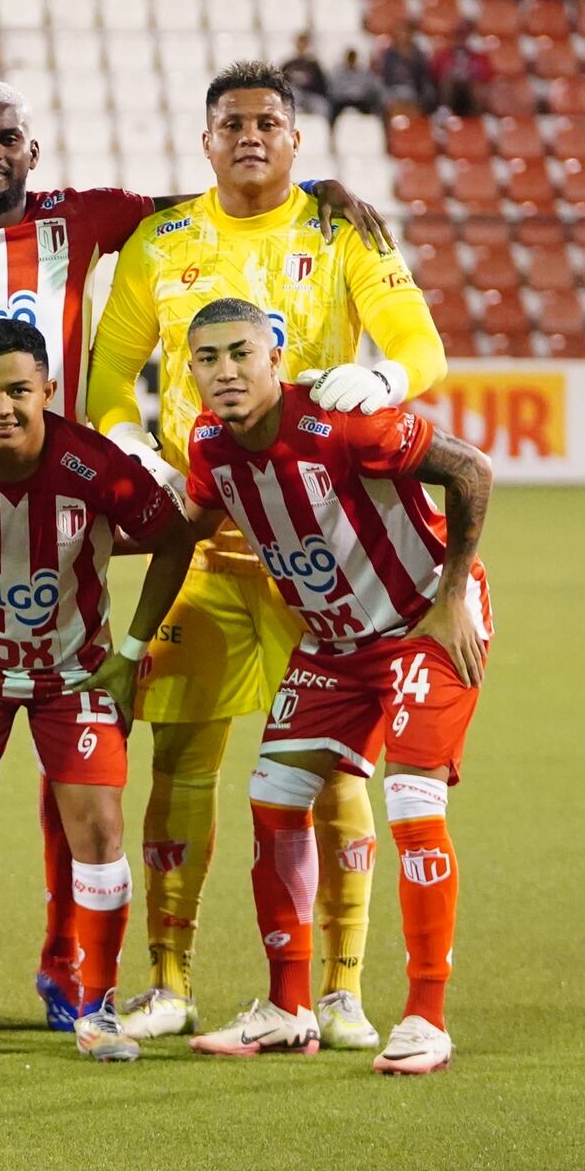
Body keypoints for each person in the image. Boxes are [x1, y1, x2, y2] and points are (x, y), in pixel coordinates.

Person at [0, 80, 389, 1033]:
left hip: (68, 522)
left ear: (32, 150)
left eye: (8, 138)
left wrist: (317, 193)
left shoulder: (86, 218)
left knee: (74, 763)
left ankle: (68, 963)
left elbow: (212, 202)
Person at [86, 60, 447, 1054]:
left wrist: (382, 376)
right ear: (205, 141)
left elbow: (419, 346)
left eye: (267, 122)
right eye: (231, 124)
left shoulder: (341, 229)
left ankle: (338, 991)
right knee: (180, 759)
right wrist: (132, 448)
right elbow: (108, 376)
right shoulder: (161, 241)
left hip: (320, 559)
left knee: (331, 771)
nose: (249, 136)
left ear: (295, 138)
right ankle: (170, 982)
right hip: (203, 539)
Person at [177, 297, 493, 1075]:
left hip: (421, 621)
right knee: (272, 794)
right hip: (334, 645)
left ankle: (426, 1016)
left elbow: (472, 468)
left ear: (274, 358)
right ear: (190, 371)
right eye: (208, 357)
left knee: (412, 801)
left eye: (241, 353)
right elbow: (183, 523)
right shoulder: (209, 446)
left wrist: (453, 594)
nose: (226, 371)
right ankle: (288, 1008)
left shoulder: (344, 421)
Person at [0, 317, 194, 1060]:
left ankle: (99, 1007)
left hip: (74, 671)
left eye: (18, 391)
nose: (2, 408)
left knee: (101, 830)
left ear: (48, 389)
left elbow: (175, 537)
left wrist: (130, 651)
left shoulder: (95, 462)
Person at [433, 22, 493, 118]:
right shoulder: (443, 55)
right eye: (458, 36)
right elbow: (435, 74)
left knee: (477, 87)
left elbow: (487, 75)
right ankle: (445, 114)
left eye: (464, 36)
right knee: (448, 82)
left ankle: (477, 118)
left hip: (470, 90)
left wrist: (473, 75)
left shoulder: (479, 57)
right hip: (451, 90)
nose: (460, 40)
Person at [376, 22, 436, 115]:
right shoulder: (389, 54)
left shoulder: (418, 54)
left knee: (410, 96)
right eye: (400, 32)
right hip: (392, 90)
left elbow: (423, 78)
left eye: (406, 32)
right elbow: (384, 76)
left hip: (413, 91)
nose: (403, 36)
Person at [281, 33, 331, 119]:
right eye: (300, 43)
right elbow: (281, 82)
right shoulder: (289, 64)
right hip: (294, 96)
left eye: (304, 43)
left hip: (311, 95)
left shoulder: (314, 64)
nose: (301, 46)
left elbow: (322, 84)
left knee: (322, 106)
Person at [327, 48, 382, 122]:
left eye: (353, 59)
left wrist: (357, 94)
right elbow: (334, 88)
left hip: (358, 100)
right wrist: (346, 95)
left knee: (368, 109)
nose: (351, 61)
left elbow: (367, 87)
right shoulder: (338, 72)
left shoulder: (363, 72)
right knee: (334, 110)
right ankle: (332, 127)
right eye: (350, 59)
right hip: (343, 100)